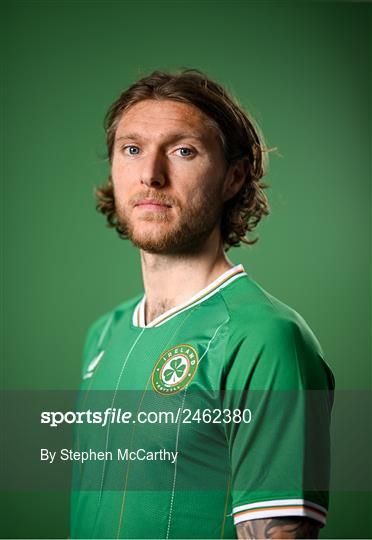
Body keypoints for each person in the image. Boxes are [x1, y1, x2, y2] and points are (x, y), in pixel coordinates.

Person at [70, 69, 335, 539]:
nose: (150, 174)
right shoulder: (104, 334)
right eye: (132, 149)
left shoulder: (265, 340)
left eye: (183, 151)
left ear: (233, 176)